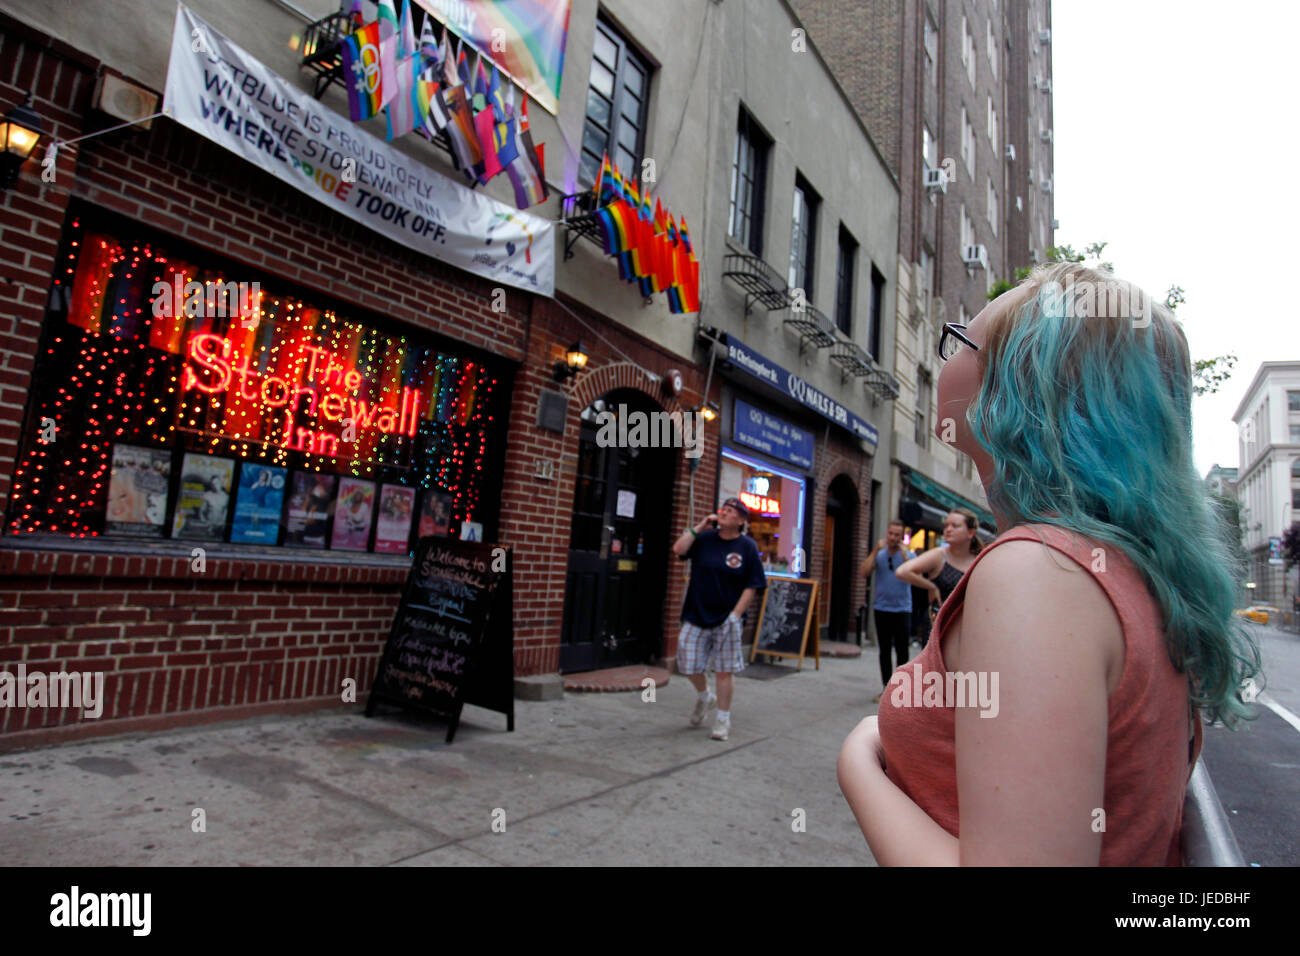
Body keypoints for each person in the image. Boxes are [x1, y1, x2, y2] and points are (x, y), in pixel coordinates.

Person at [837, 262, 1261, 865]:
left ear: (1019, 381)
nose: (944, 358)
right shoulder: (1116, 571)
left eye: (958, 340)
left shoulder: (1039, 574)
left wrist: (856, 762)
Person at [671, 497, 767, 741]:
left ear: (742, 520)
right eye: (723, 509)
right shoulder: (704, 540)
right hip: (696, 613)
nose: (724, 512)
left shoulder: (746, 547)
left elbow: (753, 585)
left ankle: (723, 719)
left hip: (727, 618)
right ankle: (705, 697)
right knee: (687, 663)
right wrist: (700, 526)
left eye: (731, 510)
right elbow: (678, 550)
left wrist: (735, 616)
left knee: (724, 671)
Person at [894, 509, 983, 638]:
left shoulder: (979, 559)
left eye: (955, 526)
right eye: (946, 525)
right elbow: (902, 571)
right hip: (938, 625)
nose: (948, 529)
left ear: (971, 533)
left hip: (968, 627)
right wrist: (931, 586)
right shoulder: (940, 555)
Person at [861, 520, 916, 703]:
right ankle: (886, 688)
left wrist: (905, 556)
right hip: (881, 608)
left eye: (897, 535)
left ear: (901, 537)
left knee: (902, 651)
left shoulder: (908, 555)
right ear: (887, 534)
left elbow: (916, 576)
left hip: (902, 609)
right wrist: (876, 549)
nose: (893, 538)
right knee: (884, 650)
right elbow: (864, 571)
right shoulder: (880, 554)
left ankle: (901, 691)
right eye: (891, 534)